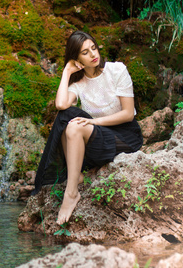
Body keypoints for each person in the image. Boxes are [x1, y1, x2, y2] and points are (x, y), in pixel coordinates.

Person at [32, 30, 143, 225]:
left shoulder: (117, 70)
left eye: (94, 48)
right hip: (99, 138)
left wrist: (93, 122)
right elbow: (60, 104)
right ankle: (77, 178)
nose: (93, 55)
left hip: (124, 137)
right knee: (66, 117)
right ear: (76, 59)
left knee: (74, 126)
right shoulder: (80, 83)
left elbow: (127, 113)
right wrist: (67, 72)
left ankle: (72, 191)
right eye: (85, 52)